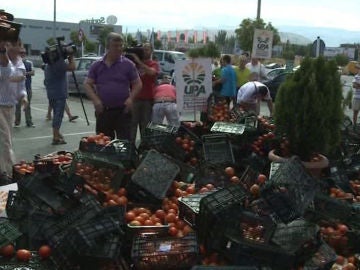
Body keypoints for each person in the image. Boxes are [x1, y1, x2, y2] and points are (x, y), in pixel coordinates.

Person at [84, 32, 142, 140]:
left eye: (121, 45)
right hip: (103, 111)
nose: (119, 48)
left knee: (125, 144)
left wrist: (131, 99)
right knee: (104, 144)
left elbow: (138, 84)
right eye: (115, 46)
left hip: (123, 111)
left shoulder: (128, 64)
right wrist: (96, 101)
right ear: (107, 47)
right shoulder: (97, 65)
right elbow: (87, 84)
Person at [0, 40, 28, 176]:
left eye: (20, 45)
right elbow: (6, 75)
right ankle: (11, 176)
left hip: (10, 107)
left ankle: (4, 173)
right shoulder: (3, 60)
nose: (20, 49)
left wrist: (23, 97)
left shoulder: (20, 63)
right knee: (5, 142)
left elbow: (21, 87)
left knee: (7, 142)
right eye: (17, 45)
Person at [44, 48, 76, 145]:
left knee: (56, 114)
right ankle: (55, 137)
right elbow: (72, 67)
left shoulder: (48, 65)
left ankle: (57, 134)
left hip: (51, 93)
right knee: (58, 115)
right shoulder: (59, 64)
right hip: (59, 93)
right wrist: (71, 57)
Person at [129, 43, 160, 143]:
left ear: (151, 51)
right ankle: (131, 147)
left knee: (145, 125)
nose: (144, 51)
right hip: (135, 98)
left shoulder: (153, 64)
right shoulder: (133, 63)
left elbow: (152, 72)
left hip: (147, 99)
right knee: (132, 124)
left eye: (147, 49)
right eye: (143, 49)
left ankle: (144, 147)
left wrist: (140, 63)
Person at [14, 47, 35, 127]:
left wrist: (24, 73)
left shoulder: (29, 63)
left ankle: (29, 121)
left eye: (24, 53)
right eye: (21, 53)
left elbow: (33, 72)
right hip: (18, 88)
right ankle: (17, 122)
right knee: (18, 106)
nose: (22, 54)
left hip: (27, 87)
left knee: (27, 105)